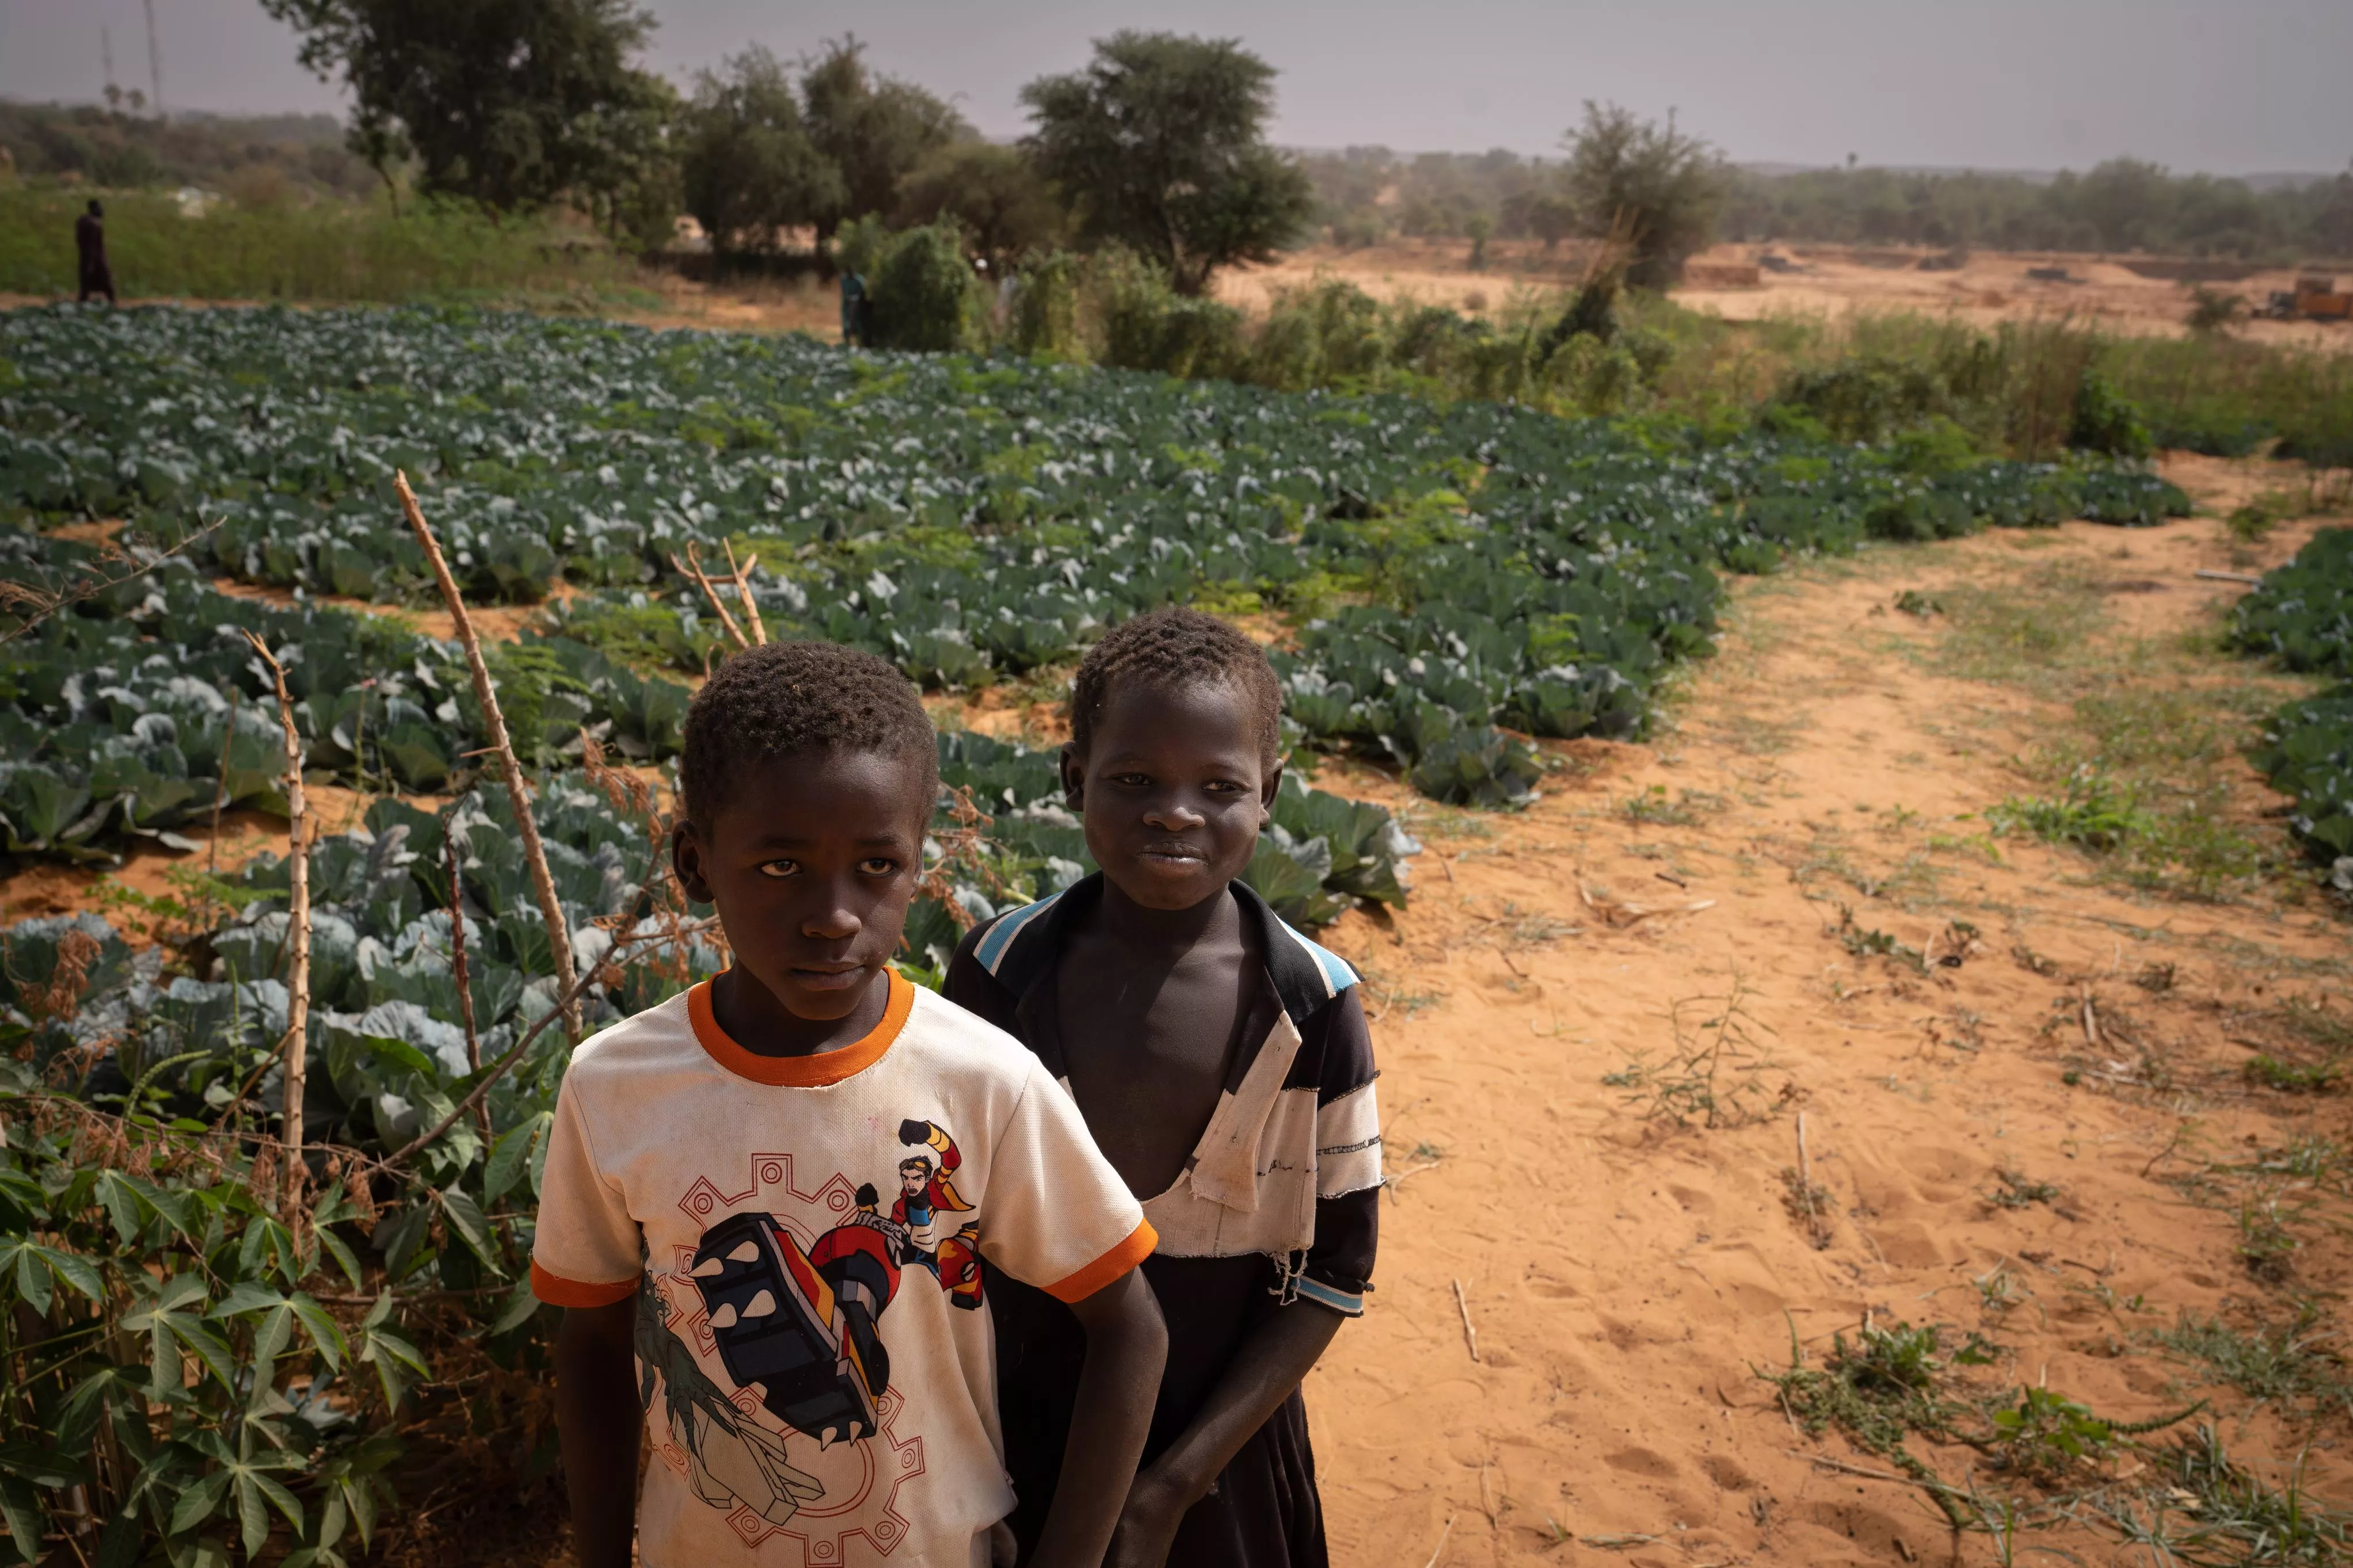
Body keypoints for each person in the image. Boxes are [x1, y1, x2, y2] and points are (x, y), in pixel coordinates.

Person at [534, 639, 1168, 1568]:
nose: (833, 915)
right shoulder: (614, 1086)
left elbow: (1130, 1328)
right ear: (694, 863)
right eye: (782, 868)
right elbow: (588, 1343)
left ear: (918, 866)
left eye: (876, 867)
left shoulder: (982, 1081)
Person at [947, 609, 1381, 1568]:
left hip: (1217, 1466)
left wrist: (1169, 1489)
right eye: (1133, 780)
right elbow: (943, 1226)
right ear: (1073, 780)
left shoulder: (1314, 1006)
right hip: (1017, 1438)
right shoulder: (997, 975)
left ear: (1267, 794)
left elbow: (1332, 1275)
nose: (1174, 813)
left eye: (1218, 786)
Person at [75, 199, 116, 305]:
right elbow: (93, 246)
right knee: (109, 287)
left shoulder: (82, 221)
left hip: (85, 258)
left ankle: (80, 307)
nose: (102, 211)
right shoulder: (94, 224)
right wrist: (92, 263)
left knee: (85, 288)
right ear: (95, 209)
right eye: (100, 208)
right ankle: (113, 307)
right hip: (97, 261)